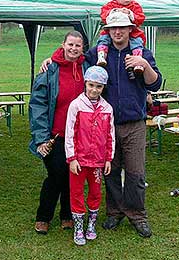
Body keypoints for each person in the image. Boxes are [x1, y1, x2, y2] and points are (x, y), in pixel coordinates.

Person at [85, 11, 162, 238]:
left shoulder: (141, 52)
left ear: (130, 29)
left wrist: (143, 65)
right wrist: (52, 59)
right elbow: (75, 58)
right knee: (110, 169)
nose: (117, 32)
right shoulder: (99, 53)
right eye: (113, 28)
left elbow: (155, 84)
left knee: (136, 172)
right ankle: (115, 212)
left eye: (122, 28)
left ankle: (137, 215)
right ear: (107, 31)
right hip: (105, 123)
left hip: (134, 123)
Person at [29, 30, 90, 235]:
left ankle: (67, 215)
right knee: (56, 174)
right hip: (54, 136)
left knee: (73, 175)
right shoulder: (49, 70)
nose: (73, 49)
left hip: (80, 136)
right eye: (70, 44)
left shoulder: (87, 68)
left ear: (83, 48)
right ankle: (43, 216)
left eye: (78, 45)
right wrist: (41, 137)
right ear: (63, 45)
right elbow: (37, 105)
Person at [65, 66, 114, 246]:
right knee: (76, 193)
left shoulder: (107, 108)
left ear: (103, 88)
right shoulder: (76, 105)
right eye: (91, 85)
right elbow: (70, 133)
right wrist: (72, 158)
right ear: (85, 83)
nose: (94, 90)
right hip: (78, 161)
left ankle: (91, 224)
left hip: (98, 162)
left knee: (95, 193)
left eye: (99, 86)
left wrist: (108, 158)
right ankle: (78, 227)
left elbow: (111, 134)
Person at [96, 0, 146, 70]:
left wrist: (130, 14)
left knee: (137, 43)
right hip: (109, 32)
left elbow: (140, 18)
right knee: (103, 39)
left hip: (133, 32)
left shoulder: (135, 6)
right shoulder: (110, 5)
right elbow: (104, 15)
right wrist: (114, 11)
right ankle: (101, 55)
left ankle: (138, 62)